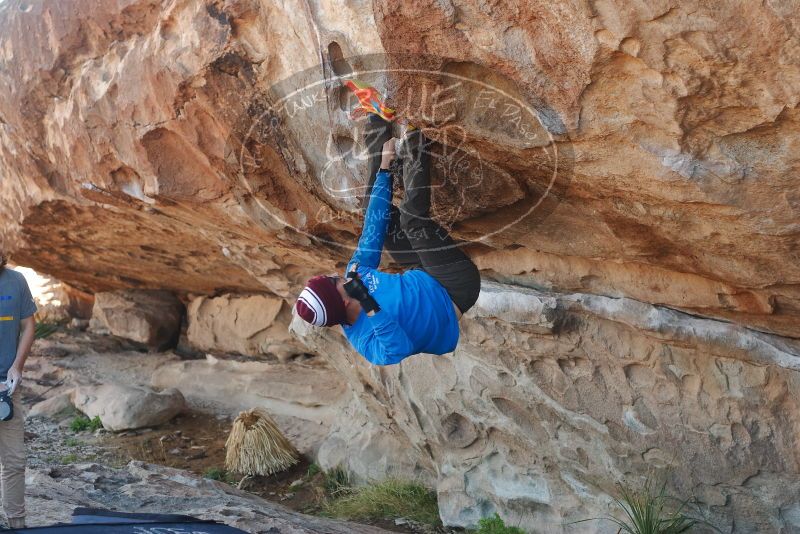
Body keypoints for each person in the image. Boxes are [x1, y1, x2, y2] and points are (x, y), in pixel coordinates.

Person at [295, 97, 481, 365]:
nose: (339, 276)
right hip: (454, 290)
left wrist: (384, 169)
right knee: (412, 221)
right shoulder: (365, 342)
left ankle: (379, 119)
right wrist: (369, 304)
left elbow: (373, 227)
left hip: (420, 272)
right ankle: (417, 136)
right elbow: (397, 349)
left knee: (373, 208)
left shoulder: (353, 274)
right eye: (335, 282)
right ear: (344, 302)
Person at [0, 251, 36, 529]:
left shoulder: (16, 280)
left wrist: (17, 367)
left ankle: (17, 524)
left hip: (7, 389)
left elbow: (28, 325)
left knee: (14, 461)